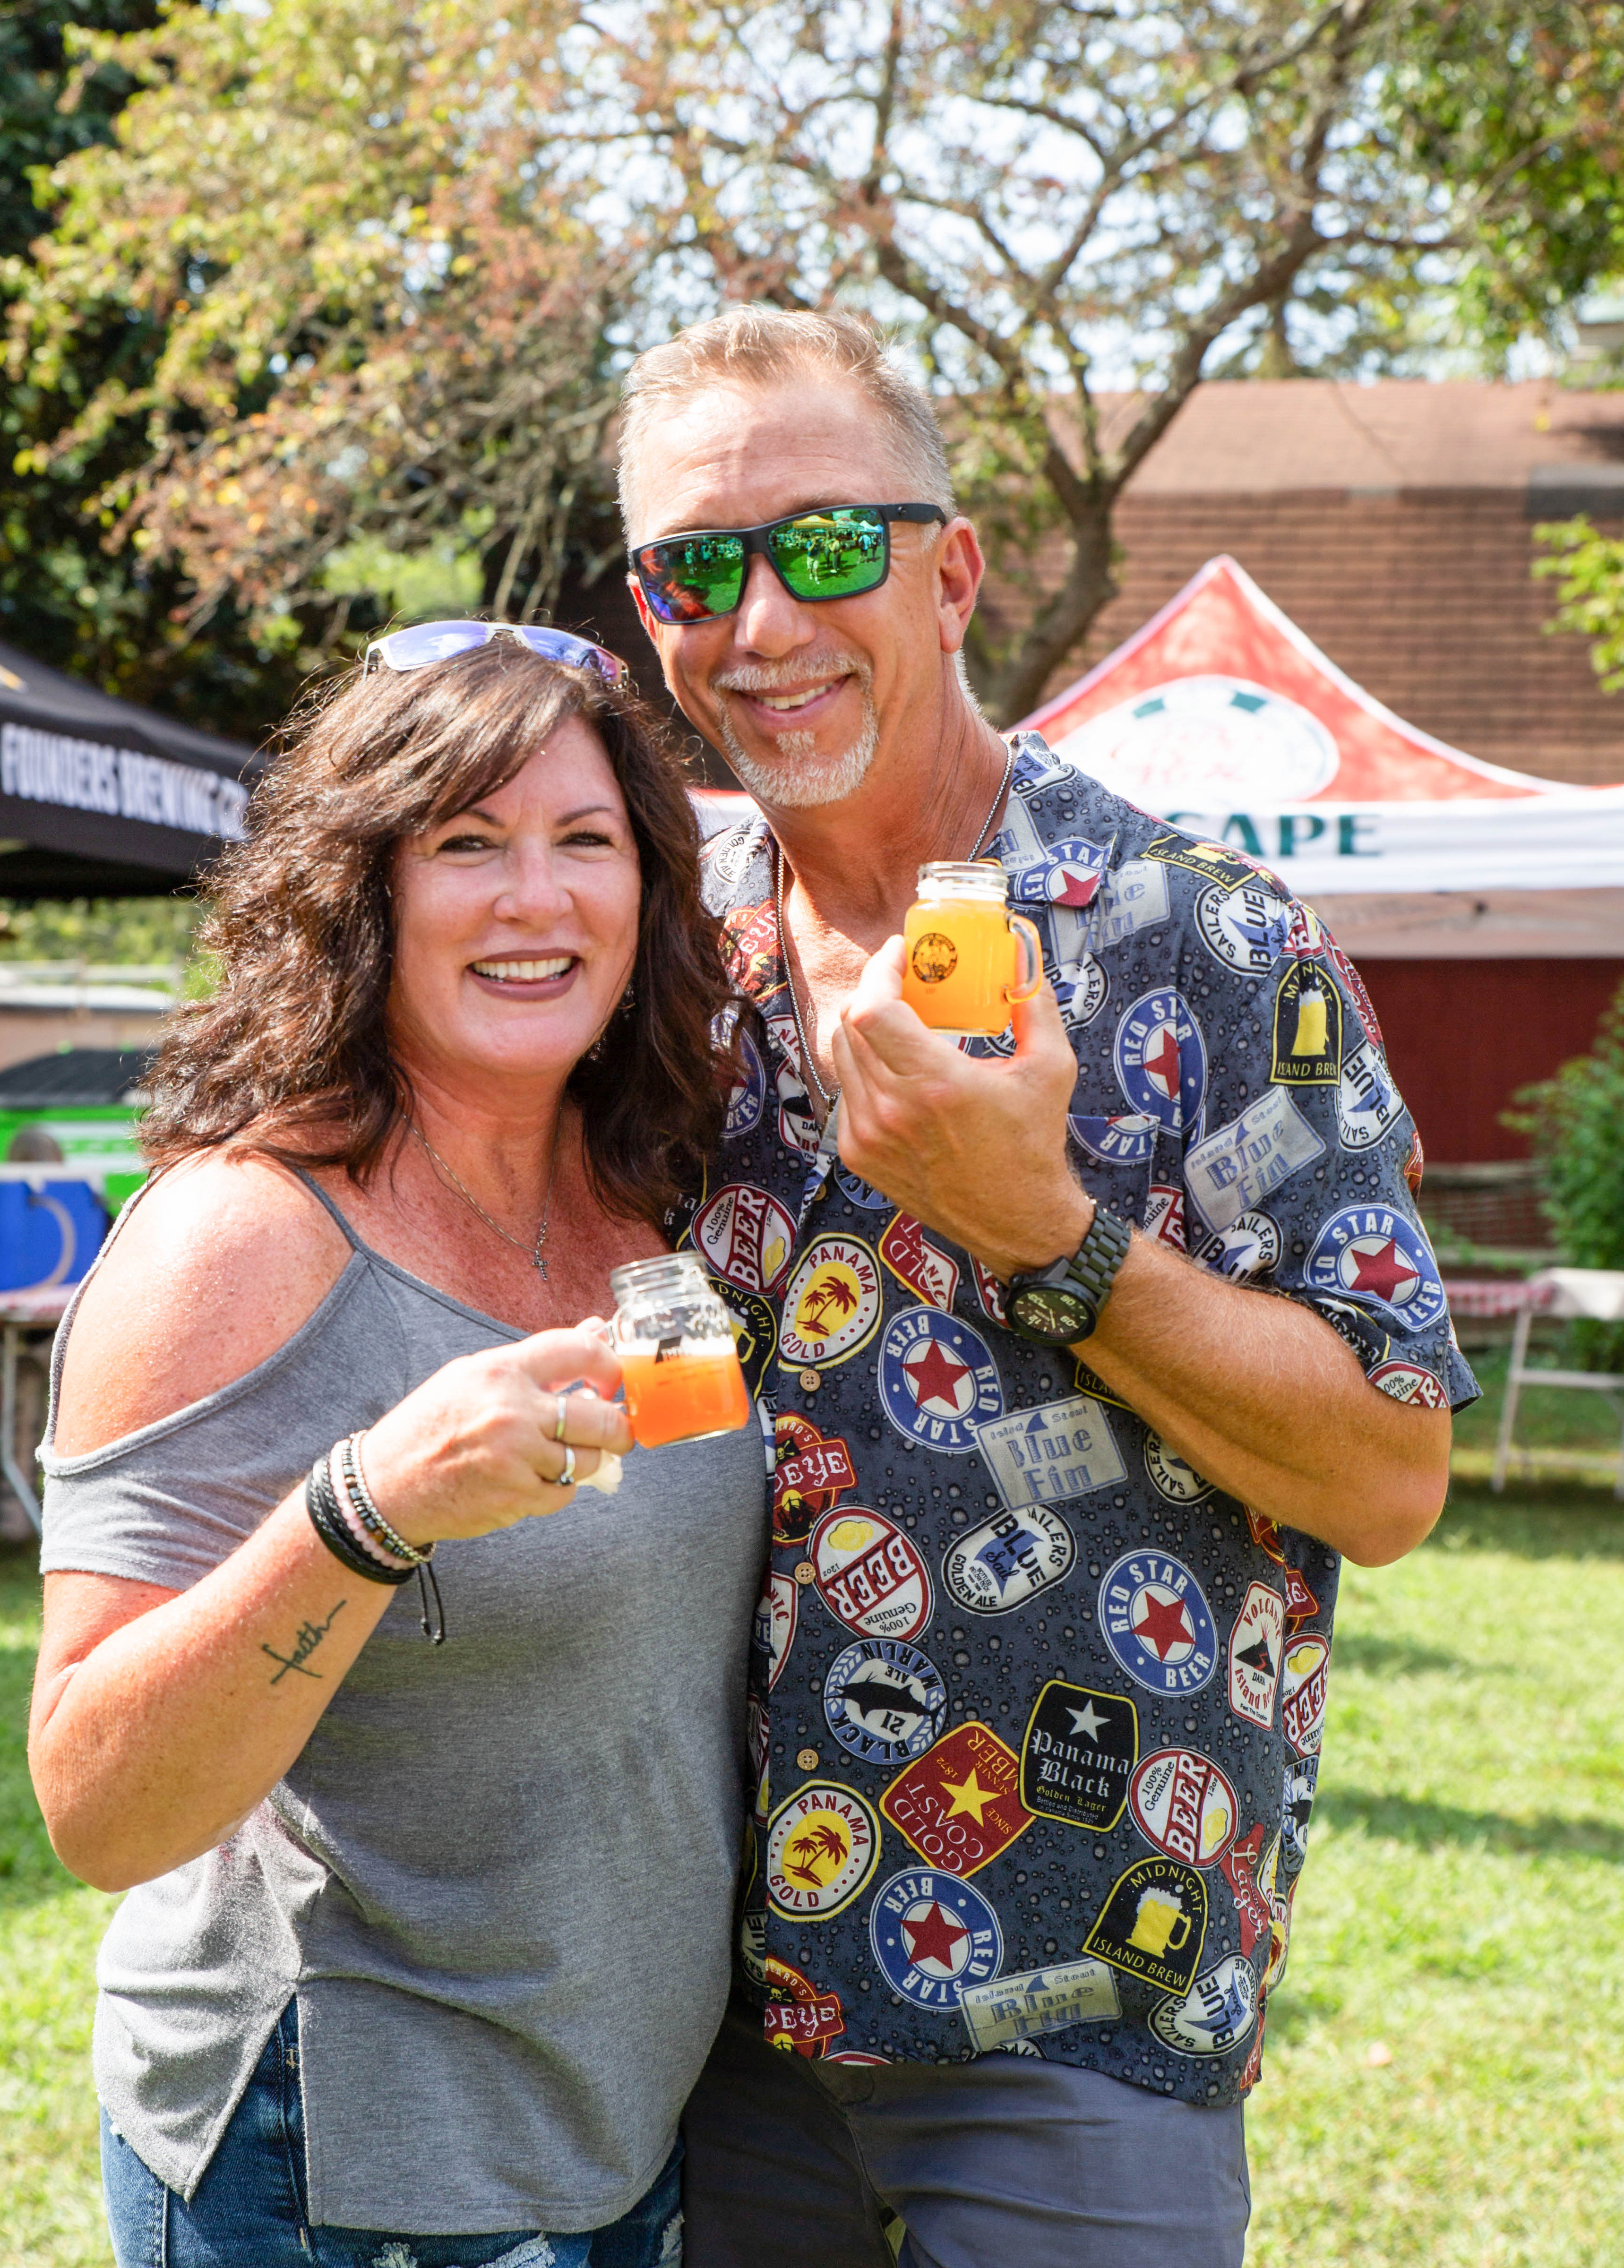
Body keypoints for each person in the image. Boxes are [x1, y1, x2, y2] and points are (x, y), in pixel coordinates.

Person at [617, 308, 1474, 2268]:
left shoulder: (1199, 940)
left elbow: (1394, 1472)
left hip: (1079, 1995)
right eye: (695, 567)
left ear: (955, 567)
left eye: (826, 545)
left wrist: (1051, 1235)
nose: (760, 621)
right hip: (697, 2016)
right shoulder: (657, 951)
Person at [27, 625, 768, 2267]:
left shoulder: (652, 1190)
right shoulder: (243, 1236)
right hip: (343, 2158)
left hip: (623, 2128)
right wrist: (369, 1507)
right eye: (466, 845)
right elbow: (96, 1807)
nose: (536, 899)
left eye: (586, 842)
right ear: (361, 890)